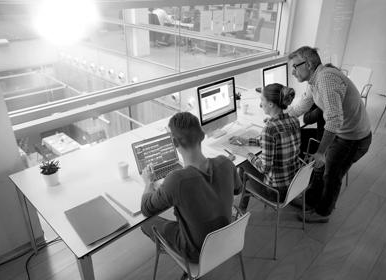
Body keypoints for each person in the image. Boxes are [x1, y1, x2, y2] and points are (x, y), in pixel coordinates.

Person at [140, 112, 242, 266]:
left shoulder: (176, 180)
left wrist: (148, 182)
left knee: (146, 223)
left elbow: (146, 208)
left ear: (173, 142)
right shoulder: (226, 163)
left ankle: (186, 265)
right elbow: (237, 189)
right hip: (226, 241)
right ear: (202, 135)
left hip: (196, 252)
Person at [287, 46, 372, 223]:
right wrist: (279, 115)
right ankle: (310, 201)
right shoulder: (315, 80)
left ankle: (322, 213)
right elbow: (301, 106)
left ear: (309, 64)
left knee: (331, 174)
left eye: (295, 66)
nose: (293, 71)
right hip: (343, 133)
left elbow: (334, 120)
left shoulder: (326, 78)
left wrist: (320, 152)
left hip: (353, 138)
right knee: (321, 169)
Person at [229, 83, 301, 212]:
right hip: (293, 184)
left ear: (271, 104)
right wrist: (246, 141)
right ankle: (241, 206)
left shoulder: (270, 128)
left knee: (243, 164)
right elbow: (273, 142)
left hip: (276, 192)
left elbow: (264, 168)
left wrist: (246, 153)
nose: (260, 104)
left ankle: (239, 208)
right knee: (247, 163)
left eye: (262, 100)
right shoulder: (294, 120)